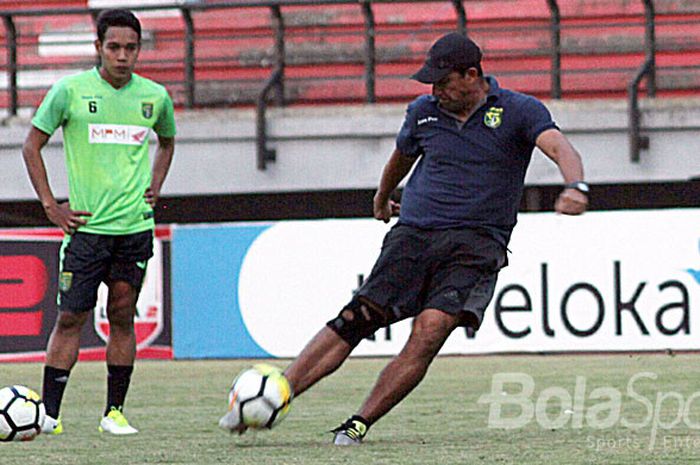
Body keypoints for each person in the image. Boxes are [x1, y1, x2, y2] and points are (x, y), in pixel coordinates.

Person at [219, 32, 588, 444]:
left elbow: (559, 147)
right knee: (356, 318)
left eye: (443, 82)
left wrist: (576, 186)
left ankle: (358, 423)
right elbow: (402, 157)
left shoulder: (520, 110)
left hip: (477, 244)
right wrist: (381, 197)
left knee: (430, 331)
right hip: (413, 235)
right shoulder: (423, 113)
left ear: (471, 75)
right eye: (431, 84)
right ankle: (277, 394)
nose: (436, 91)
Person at [22, 9, 176, 436]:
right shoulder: (70, 91)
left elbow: (167, 141)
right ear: (98, 48)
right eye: (114, 47)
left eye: (131, 48)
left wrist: (156, 184)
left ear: (139, 49)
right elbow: (32, 145)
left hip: (134, 229)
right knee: (71, 318)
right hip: (87, 230)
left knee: (122, 315)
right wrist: (51, 205)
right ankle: (49, 415)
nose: (122, 56)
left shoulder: (155, 97)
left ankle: (114, 413)